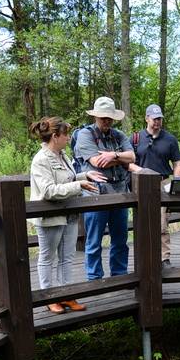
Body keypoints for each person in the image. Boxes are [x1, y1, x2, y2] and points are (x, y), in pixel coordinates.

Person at [29, 116, 107, 314]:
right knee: (47, 258)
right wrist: (78, 185)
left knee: (67, 257)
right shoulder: (40, 160)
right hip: (50, 216)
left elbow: (68, 178)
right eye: (65, 135)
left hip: (69, 214)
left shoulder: (62, 155)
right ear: (55, 136)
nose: (68, 138)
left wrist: (84, 176)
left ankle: (66, 295)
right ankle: (49, 297)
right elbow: (49, 191)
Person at [72, 96, 136, 281]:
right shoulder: (85, 135)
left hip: (119, 192)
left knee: (120, 240)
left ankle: (119, 275)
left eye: (109, 117)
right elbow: (96, 162)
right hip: (95, 193)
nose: (106, 121)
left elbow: (132, 157)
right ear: (95, 117)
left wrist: (113, 155)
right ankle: (95, 279)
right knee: (93, 241)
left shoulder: (118, 135)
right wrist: (119, 158)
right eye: (103, 117)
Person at [129, 104, 180, 266]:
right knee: (142, 222)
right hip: (141, 185)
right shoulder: (135, 138)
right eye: (154, 119)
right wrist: (144, 172)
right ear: (146, 118)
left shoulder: (170, 139)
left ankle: (164, 258)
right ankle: (144, 258)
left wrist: (177, 184)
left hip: (163, 183)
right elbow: (128, 163)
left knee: (161, 224)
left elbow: (177, 163)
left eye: (159, 119)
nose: (157, 122)